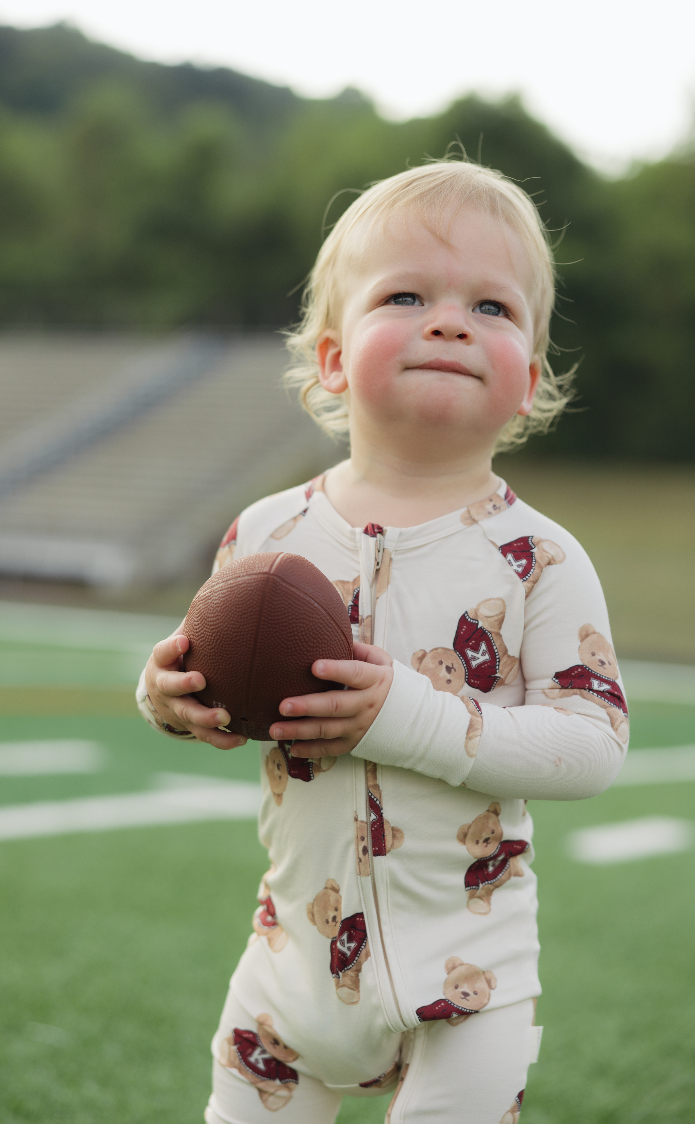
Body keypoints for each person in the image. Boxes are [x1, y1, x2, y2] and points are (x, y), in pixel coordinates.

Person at [137, 161, 628, 1123]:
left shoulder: (539, 558)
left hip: (470, 973)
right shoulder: (265, 535)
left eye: (491, 306)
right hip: (291, 957)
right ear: (331, 358)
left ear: (528, 382)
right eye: (406, 296)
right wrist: (165, 698)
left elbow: (594, 745)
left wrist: (407, 713)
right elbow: (205, 676)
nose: (449, 323)